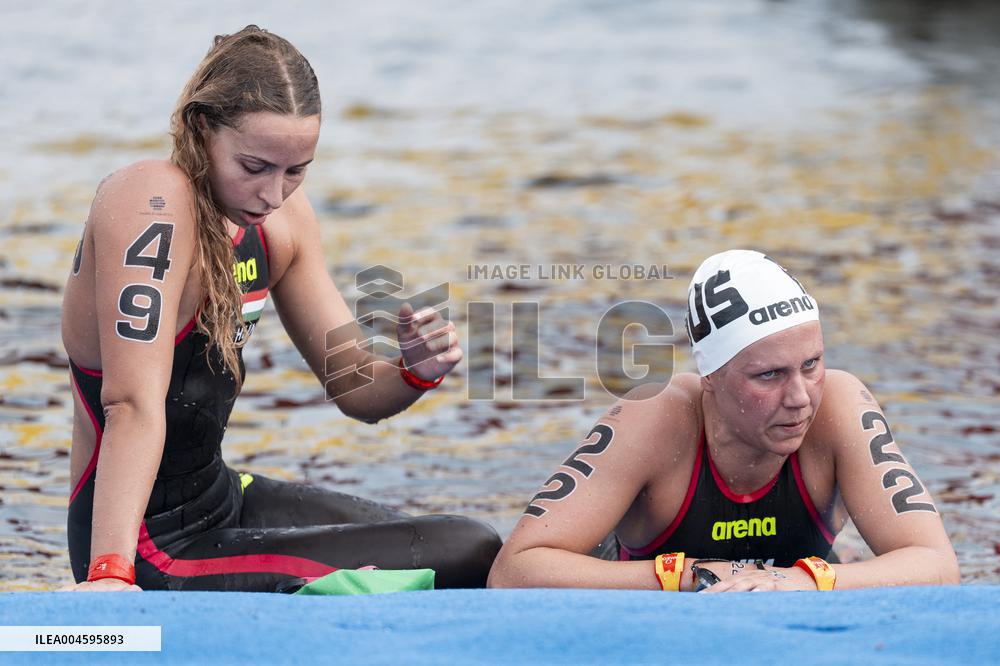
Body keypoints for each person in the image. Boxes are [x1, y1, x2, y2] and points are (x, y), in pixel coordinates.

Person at [59, 26, 501, 592]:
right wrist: (110, 574)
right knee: (466, 550)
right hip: (144, 545)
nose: (272, 195)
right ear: (201, 128)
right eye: (254, 167)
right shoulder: (150, 202)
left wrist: (414, 370)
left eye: (296, 171)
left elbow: (357, 388)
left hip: (225, 502)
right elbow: (130, 402)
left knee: (465, 544)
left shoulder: (281, 223)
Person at [488, 249, 959, 592]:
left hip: (795, 583)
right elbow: (514, 571)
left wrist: (801, 580)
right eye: (769, 375)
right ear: (710, 376)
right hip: (646, 592)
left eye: (811, 364)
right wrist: (690, 575)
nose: (800, 398)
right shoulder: (654, 419)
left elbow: (937, 564)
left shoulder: (840, 406)